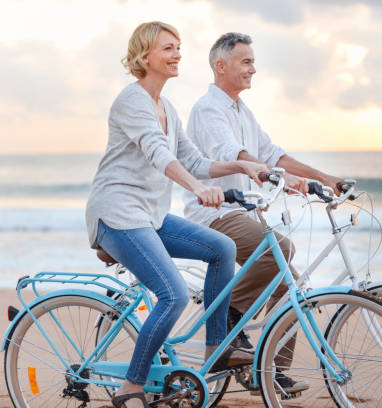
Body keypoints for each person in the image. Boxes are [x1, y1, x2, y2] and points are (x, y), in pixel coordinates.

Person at [85, 22, 268, 408]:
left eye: (178, 47)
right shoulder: (131, 101)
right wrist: (198, 189)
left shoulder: (167, 106)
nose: (177, 54)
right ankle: (131, 387)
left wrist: (241, 166)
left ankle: (217, 347)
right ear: (144, 56)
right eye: (168, 48)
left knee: (221, 247)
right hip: (117, 214)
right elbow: (159, 153)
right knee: (174, 294)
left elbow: (194, 160)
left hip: (150, 215)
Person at [182, 32, 344, 394]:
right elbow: (236, 153)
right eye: (246, 61)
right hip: (215, 212)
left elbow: (273, 155)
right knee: (281, 250)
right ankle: (229, 322)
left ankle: (268, 373)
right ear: (220, 66)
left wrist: (323, 177)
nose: (253, 68)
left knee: (290, 285)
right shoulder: (209, 109)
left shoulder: (242, 110)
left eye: (253, 61)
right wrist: (277, 177)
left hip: (243, 213)